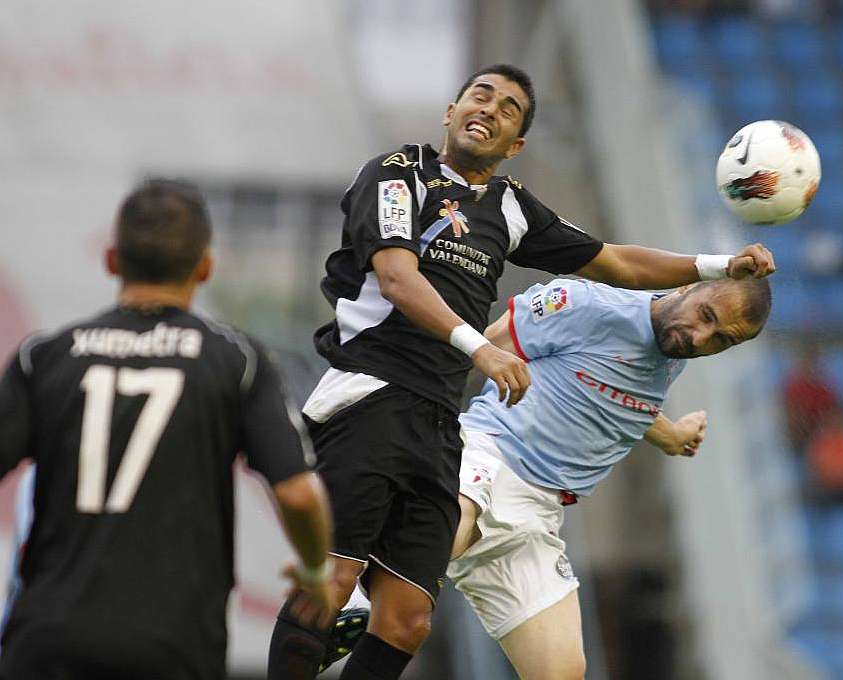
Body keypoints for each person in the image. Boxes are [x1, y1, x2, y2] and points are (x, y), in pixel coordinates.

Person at [268, 63, 776, 680]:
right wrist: (481, 351)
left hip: (451, 435)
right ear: (451, 110)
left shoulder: (511, 208)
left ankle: (359, 602)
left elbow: (614, 263)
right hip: (388, 399)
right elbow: (402, 280)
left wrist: (721, 266)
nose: (490, 109)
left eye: (509, 109)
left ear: (517, 146)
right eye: (481, 96)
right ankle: (346, 603)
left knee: (413, 622)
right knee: (344, 582)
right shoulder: (397, 174)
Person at [319, 274, 772, 679]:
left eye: (721, 340)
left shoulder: (673, 344)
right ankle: (355, 601)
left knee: (561, 671)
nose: (701, 337)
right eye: (706, 315)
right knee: (452, 523)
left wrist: (670, 435)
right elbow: (486, 347)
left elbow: (614, 392)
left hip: (538, 515)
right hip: (489, 453)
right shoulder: (588, 305)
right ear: (686, 287)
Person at [0, 180, 338, 680]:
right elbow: (298, 495)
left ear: (112, 260)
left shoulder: (44, 356)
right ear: (205, 266)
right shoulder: (236, 360)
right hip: (173, 642)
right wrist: (314, 572)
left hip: (47, 638)